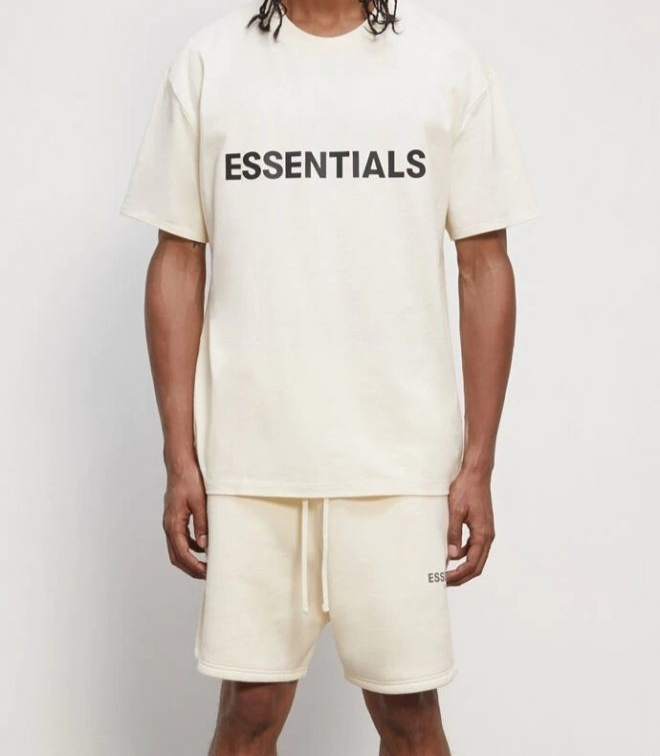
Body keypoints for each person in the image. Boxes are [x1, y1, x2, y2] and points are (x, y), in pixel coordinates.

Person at [121, 0, 538, 752]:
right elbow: (177, 260)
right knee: (249, 711)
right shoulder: (210, 63)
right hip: (250, 462)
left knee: (410, 715)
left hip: (399, 467)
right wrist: (180, 457)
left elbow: (484, 266)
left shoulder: (445, 64)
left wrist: (478, 464)